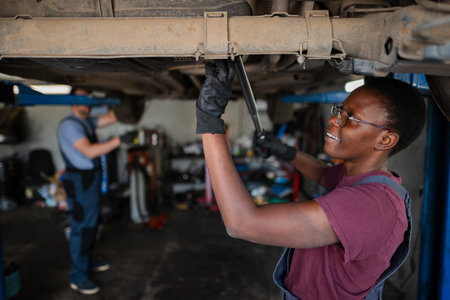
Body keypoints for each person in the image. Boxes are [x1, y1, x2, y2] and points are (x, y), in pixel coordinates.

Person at [195, 60, 426, 299]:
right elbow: (324, 174)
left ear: (385, 140)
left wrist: (210, 122)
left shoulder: (371, 205)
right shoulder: (364, 179)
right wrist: (286, 152)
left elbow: (242, 223)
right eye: (340, 111)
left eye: (350, 118)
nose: (334, 120)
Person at [57, 89, 125, 295]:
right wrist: (120, 140)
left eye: (88, 99)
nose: (85, 103)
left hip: (90, 179)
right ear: (72, 102)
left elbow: (113, 117)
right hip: (79, 181)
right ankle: (78, 277)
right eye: (80, 99)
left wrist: (127, 102)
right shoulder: (69, 125)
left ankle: (87, 260)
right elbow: (90, 151)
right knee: (82, 227)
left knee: (92, 223)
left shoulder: (86, 121)